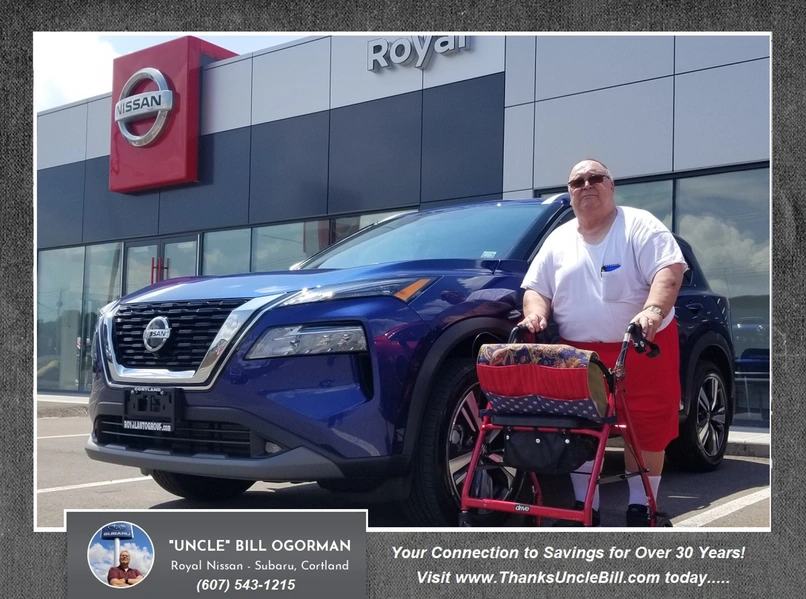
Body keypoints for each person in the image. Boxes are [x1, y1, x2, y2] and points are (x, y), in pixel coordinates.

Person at [519, 158, 686, 526]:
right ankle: (583, 507)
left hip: (642, 345)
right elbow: (534, 288)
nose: (586, 185)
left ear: (611, 186)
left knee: (645, 427)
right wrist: (535, 312)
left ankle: (642, 508)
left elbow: (669, 270)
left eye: (595, 177)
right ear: (569, 194)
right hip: (578, 354)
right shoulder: (558, 239)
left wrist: (653, 311)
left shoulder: (639, 225)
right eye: (577, 181)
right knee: (577, 428)